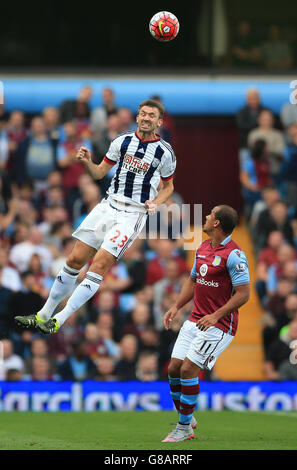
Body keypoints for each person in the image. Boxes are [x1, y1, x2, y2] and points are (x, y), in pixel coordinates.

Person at [15, 99, 176, 336]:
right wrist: (88, 162)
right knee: (74, 260)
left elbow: (169, 187)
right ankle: (43, 315)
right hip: (107, 206)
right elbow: (100, 171)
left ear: (159, 121)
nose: (145, 118)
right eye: (142, 114)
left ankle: (60, 319)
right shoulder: (122, 141)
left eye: (151, 115)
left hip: (132, 215)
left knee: (98, 265)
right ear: (137, 117)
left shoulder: (165, 152)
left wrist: (156, 202)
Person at [161, 205, 250, 442]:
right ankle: (187, 416)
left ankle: (183, 427)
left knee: (189, 370)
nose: (206, 216)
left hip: (219, 326)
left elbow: (243, 294)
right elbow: (193, 281)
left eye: (210, 214)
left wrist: (216, 315)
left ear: (217, 223)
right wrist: (176, 307)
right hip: (195, 319)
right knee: (173, 369)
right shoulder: (201, 246)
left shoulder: (234, 254)